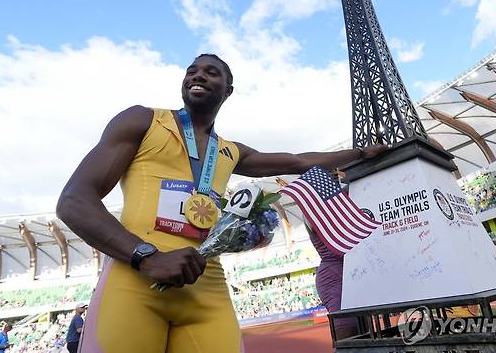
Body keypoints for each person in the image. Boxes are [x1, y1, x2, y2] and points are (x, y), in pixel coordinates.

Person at [57, 54, 388, 353]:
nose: (198, 76)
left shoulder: (230, 151)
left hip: (207, 287)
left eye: (211, 72)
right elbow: (74, 200)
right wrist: (147, 257)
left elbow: (299, 161)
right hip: (135, 283)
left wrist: (361, 153)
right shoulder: (142, 121)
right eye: (192, 70)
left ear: (228, 90)